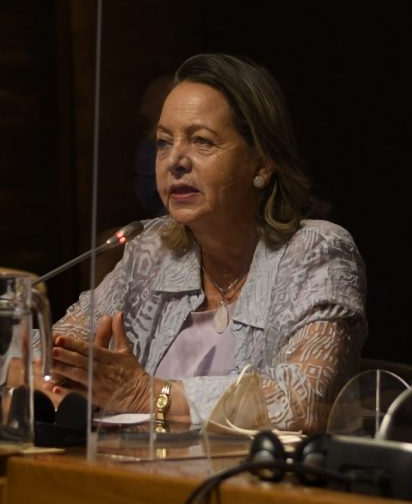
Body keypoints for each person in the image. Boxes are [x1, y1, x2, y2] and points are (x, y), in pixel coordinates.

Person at [40, 53, 367, 433]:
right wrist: (47, 372)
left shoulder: (317, 253)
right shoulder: (152, 251)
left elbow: (303, 400)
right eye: (163, 142)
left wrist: (146, 395)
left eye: (201, 141)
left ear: (262, 162)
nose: (175, 161)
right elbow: (54, 349)